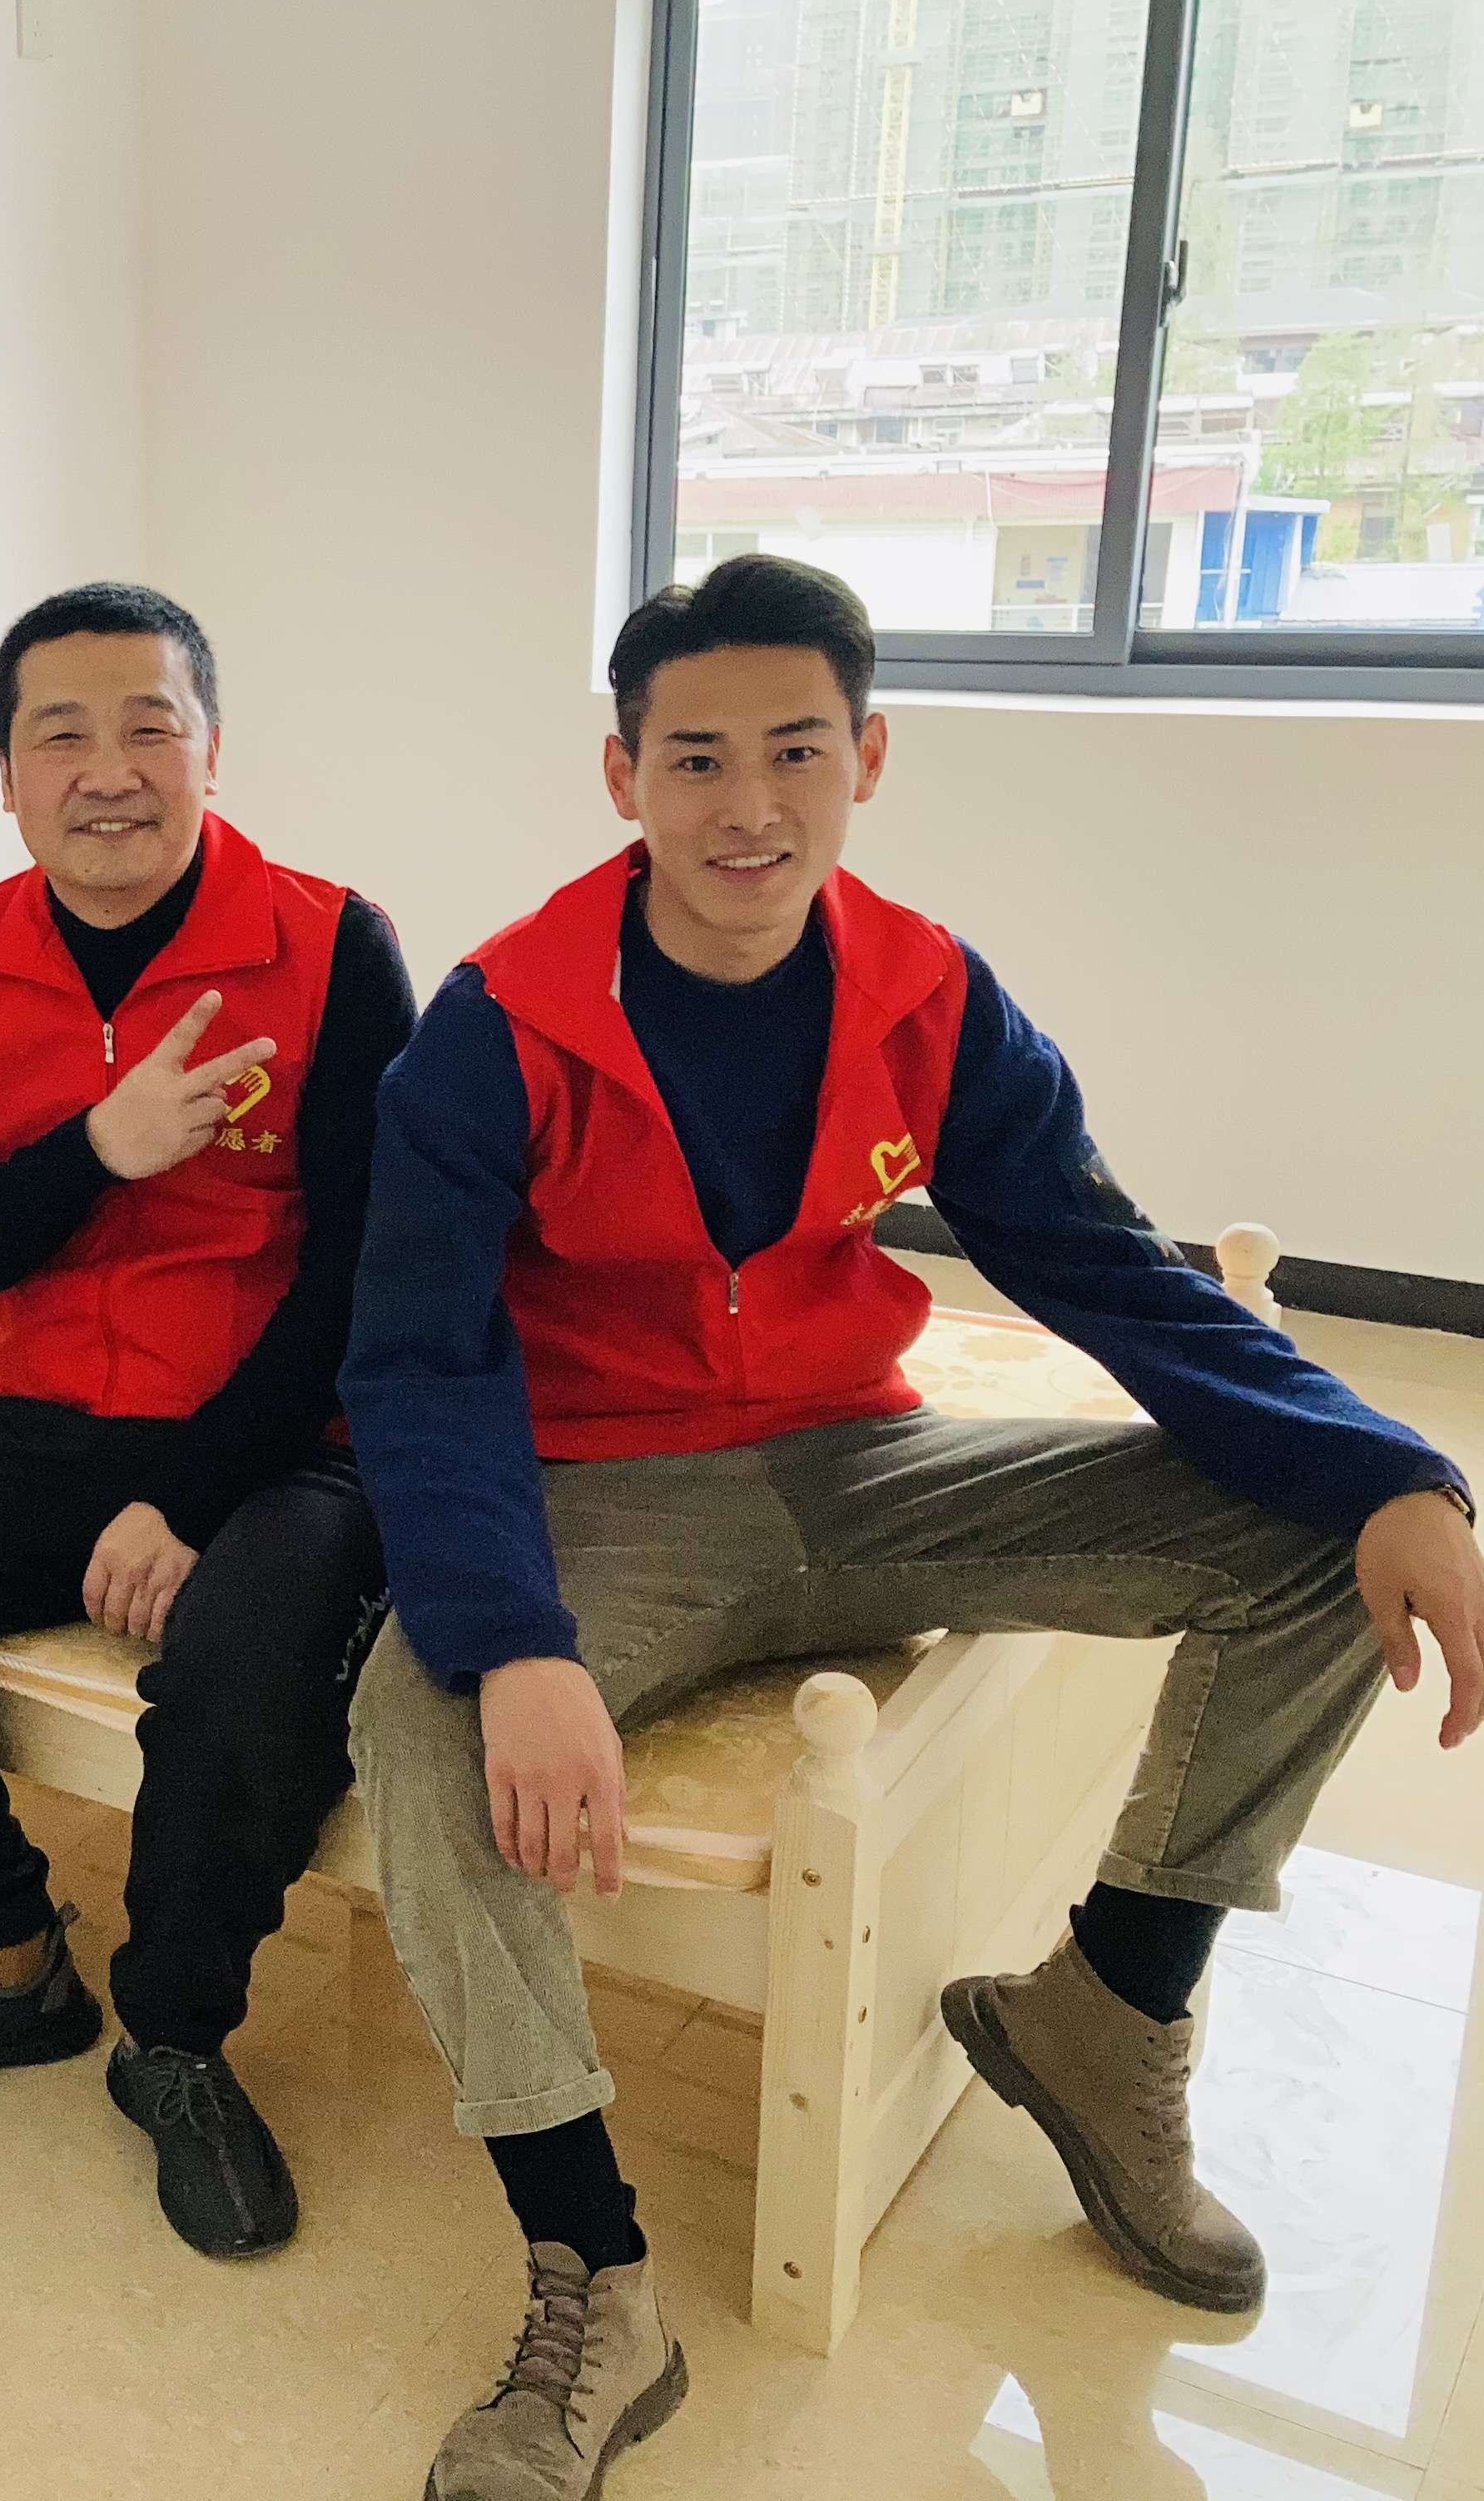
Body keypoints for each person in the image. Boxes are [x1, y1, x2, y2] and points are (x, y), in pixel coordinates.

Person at [342, 554, 1484, 2501]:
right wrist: (515, 1640)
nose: (750, 804)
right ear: (622, 776)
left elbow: (1103, 1266)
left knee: (1311, 1534)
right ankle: (595, 2274)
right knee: (426, 1718)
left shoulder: (928, 995)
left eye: (797, 751)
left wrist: (1392, 1467)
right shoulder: (496, 1025)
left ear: (867, 756)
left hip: (859, 1461)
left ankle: (1111, 2011)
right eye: (698, 759)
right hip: (610, 1494)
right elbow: (419, 1360)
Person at [0, 583, 415, 2258]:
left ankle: (172, 2041)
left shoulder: (334, 945)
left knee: (247, 1667)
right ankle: (1, 1957)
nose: (107, 772)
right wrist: (100, 1152)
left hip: (286, 1442)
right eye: (61, 735)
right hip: (51, 1410)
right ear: (7, 775)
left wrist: (189, 1498)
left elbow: (365, 1281)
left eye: (148, 728)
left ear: (211, 750)